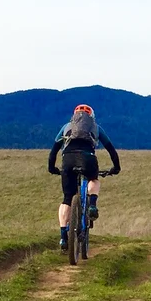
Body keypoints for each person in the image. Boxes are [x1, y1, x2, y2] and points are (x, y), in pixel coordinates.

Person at [48, 104, 120, 249]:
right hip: (88, 159)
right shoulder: (96, 128)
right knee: (93, 180)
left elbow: (53, 151)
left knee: (67, 199)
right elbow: (111, 149)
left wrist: (52, 168)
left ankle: (63, 237)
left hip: (68, 160)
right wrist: (116, 167)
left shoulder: (66, 127)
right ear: (91, 116)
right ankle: (92, 204)